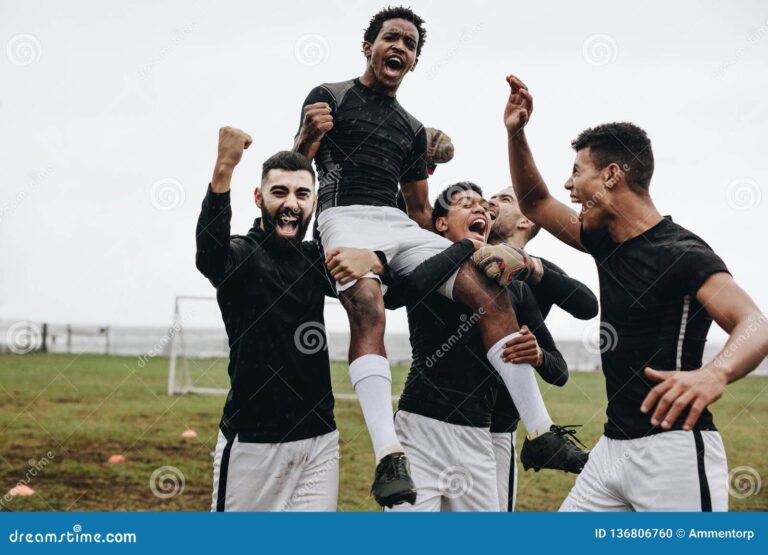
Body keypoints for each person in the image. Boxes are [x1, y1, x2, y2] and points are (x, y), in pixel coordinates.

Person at [294, 6, 578, 508]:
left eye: (409, 43)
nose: (399, 46)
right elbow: (299, 173)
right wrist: (306, 138)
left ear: (415, 61)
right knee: (367, 304)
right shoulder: (329, 96)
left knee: (489, 292)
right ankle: (389, 456)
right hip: (344, 214)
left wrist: (448, 252)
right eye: (391, 38)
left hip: (398, 222)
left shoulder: (411, 126)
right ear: (369, 47)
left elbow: (422, 209)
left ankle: (541, 430)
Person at [500, 74, 768, 511]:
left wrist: (712, 374)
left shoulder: (682, 253)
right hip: (610, 451)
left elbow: (755, 324)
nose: (569, 187)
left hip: (674, 453)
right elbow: (534, 201)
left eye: (576, 173)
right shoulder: (604, 242)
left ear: (611, 175)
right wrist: (516, 133)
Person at [196, 127, 387, 511]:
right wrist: (224, 168)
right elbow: (209, 256)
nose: (291, 203)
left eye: (302, 194)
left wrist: (377, 259)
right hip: (253, 443)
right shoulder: (241, 255)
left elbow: (387, 291)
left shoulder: (316, 259)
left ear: (314, 202)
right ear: (258, 197)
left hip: (319, 441)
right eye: (279, 192)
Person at [380, 182, 576, 511]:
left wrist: (538, 354)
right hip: (419, 427)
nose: (481, 210)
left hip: (478, 435)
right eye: (467, 204)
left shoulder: (512, 284)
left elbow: (562, 363)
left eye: (485, 208)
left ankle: (542, 432)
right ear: (440, 223)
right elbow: (407, 291)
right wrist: (464, 246)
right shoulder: (428, 262)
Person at [487, 187, 599, 511]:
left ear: (526, 221)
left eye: (505, 199)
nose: (491, 201)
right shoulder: (457, 256)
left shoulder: (535, 276)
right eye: (490, 196)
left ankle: (542, 436)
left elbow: (587, 305)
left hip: (499, 426)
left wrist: (531, 267)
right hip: (440, 413)